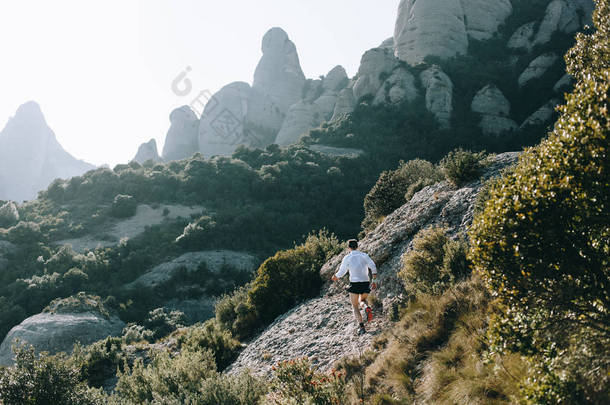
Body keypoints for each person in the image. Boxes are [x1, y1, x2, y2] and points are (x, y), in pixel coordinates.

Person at [332, 239, 378, 335]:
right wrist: (374, 281)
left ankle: (361, 327)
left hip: (354, 284)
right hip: (365, 282)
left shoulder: (347, 257)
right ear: (357, 246)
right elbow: (373, 267)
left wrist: (335, 276)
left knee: (355, 306)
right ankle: (366, 307)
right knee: (362, 300)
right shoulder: (364, 256)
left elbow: (342, 271)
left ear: (348, 248)